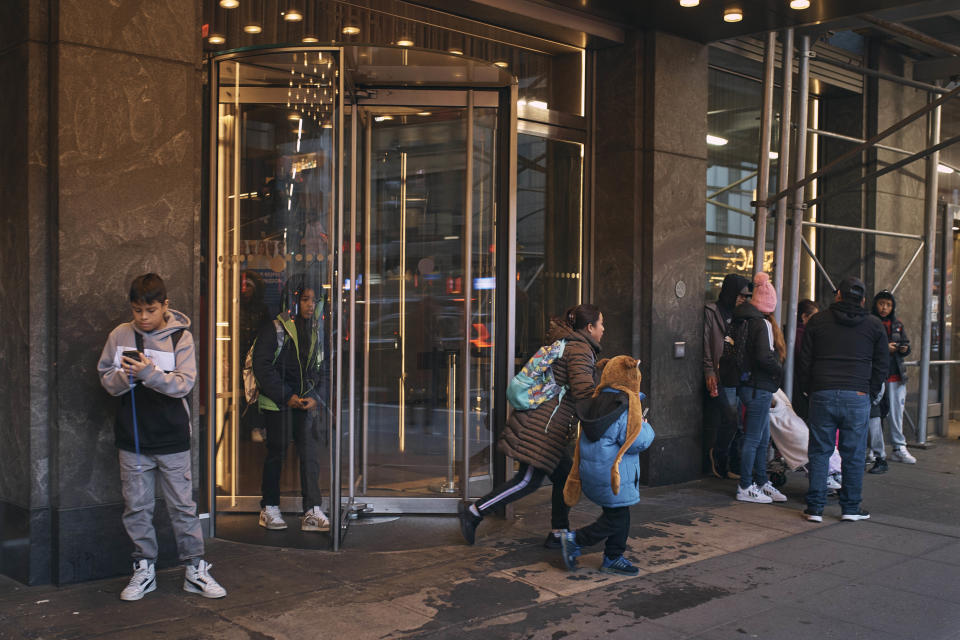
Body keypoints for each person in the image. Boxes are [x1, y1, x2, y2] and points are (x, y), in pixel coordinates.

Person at [97, 273, 226, 601]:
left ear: (165, 305)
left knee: (182, 506)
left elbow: (185, 384)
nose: (143, 317)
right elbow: (105, 381)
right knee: (137, 506)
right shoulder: (119, 335)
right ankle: (144, 568)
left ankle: (195, 568)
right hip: (134, 437)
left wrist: (148, 373)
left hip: (172, 436)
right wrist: (123, 377)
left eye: (150, 310)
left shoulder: (180, 337)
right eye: (137, 310)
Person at [457, 304, 604, 548]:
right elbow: (584, 392)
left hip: (547, 424)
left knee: (564, 477)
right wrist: (607, 399)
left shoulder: (569, 344)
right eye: (601, 323)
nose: (603, 329)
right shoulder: (579, 349)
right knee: (527, 481)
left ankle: (559, 532)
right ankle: (474, 511)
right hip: (544, 427)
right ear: (590, 327)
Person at [797, 276, 888, 522]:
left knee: (819, 451)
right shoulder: (874, 325)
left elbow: (804, 360)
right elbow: (882, 364)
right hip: (857, 394)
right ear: (864, 300)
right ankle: (850, 508)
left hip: (822, 391)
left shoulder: (817, 321)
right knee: (854, 454)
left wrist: (809, 389)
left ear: (838, 295)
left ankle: (815, 508)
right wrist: (869, 390)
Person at [560, 356, 655, 576]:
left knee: (619, 515)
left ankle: (613, 556)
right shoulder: (626, 407)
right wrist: (645, 426)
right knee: (617, 518)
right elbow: (638, 441)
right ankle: (575, 540)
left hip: (594, 473)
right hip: (614, 476)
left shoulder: (598, 401)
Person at [253, 280, 330, 533]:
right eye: (305, 299)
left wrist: (315, 397)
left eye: (314, 300)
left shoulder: (317, 330)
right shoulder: (276, 328)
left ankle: (311, 510)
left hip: (303, 401)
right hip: (278, 403)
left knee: (310, 454)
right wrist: (287, 396)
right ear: (294, 302)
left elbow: (324, 370)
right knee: (277, 453)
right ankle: (270, 507)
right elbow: (262, 367)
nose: (310, 305)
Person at [730, 272, 786, 504]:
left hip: (747, 385)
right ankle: (745, 486)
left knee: (762, 437)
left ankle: (761, 481)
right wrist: (779, 369)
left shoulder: (741, 320)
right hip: (758, 386)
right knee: (754, 439)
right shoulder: (760, 324)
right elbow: (764, 357)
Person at [704, 274, 752, 479]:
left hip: (741, 374)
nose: (743, 299)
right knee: (732, 418)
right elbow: (706, 344)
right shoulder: (712, 312)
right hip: (722, 374)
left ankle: (735, 463)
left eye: (746, 296)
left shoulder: (745, 315)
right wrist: (709, 371)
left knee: (740, 421)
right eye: (740, 295)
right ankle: (719, 454)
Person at [871, 290, 916, 465]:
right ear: (875, 304)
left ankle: (899, 447)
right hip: (877, 375)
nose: (884, 308)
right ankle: (876, 451)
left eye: (888, 305)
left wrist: (904, 348)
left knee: (897, 414)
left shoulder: (897, 324)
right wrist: (884, 347)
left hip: (896, 375)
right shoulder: (871, 322)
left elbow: (907, 345)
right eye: (881, 303)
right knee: (876, 415)